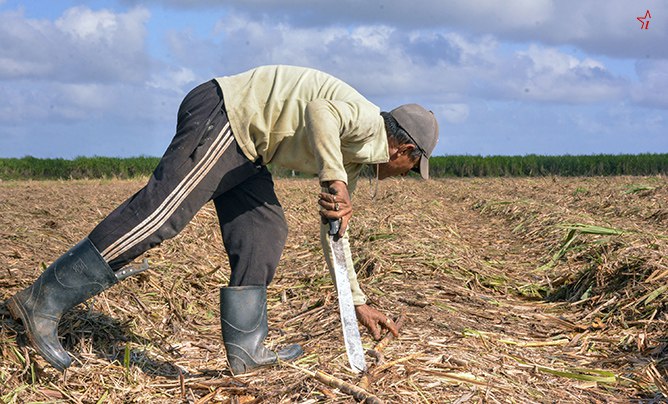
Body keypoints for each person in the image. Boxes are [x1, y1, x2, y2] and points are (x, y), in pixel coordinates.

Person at [7, 65, 439, 374]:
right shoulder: (365, 122)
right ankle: (41, 301)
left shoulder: (355, 159)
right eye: (412, 168)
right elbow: (321, 112)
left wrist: (356, 300)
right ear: (405, 151)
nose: (405, 176)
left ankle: (247, 351)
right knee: (161, 216)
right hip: (225, 117)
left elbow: (335, 231)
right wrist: (334, 178)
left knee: (264, 232)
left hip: (251, 151)